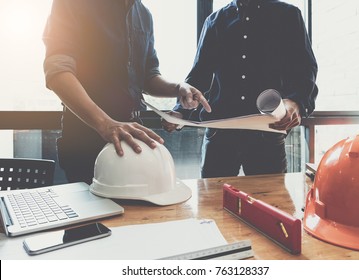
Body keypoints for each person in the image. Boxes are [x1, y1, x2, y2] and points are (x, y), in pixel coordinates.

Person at [43, 0, 211, 184]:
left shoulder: (144, 14)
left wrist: (178, 88)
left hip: (131, 136)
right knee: (92, 209)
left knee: (136, 210)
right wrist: (105, 124)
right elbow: (57, 72)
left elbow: (148, 76)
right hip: (85, 138)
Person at [162, 0, 318, 178]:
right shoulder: (214, 21)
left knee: (268, 202)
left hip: (267, 135)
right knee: (213, 202)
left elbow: (305, 69)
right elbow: (199, 76)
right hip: (219, 137)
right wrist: (180, 112)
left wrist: (296, 102)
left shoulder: (288, 15)